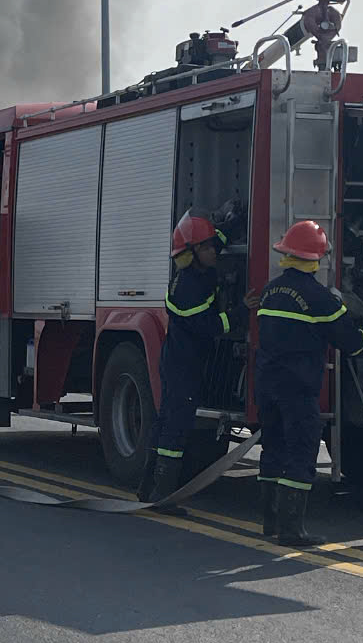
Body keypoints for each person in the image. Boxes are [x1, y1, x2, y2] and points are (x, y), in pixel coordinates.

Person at [255, 220, 363, 545]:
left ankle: (270, 522)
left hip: (267, 385)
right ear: (316, 259)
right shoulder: (321, 299)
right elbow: (353, 343)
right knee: (301, 454)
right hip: (298, 389)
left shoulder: (269, 290)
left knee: (272, 450)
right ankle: (292, 530)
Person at [137, 209, 257, 504]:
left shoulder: (199, 264)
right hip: (183, 365)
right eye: (207, 247)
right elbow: (211, 327)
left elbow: (218, 236)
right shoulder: (187, 288)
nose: (214, 250)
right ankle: (163, 494)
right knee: (175, 427)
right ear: (192, 252)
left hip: (181, 361)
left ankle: (146, 489)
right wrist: (242, 310)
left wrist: (238, 217)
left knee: (165, 422)